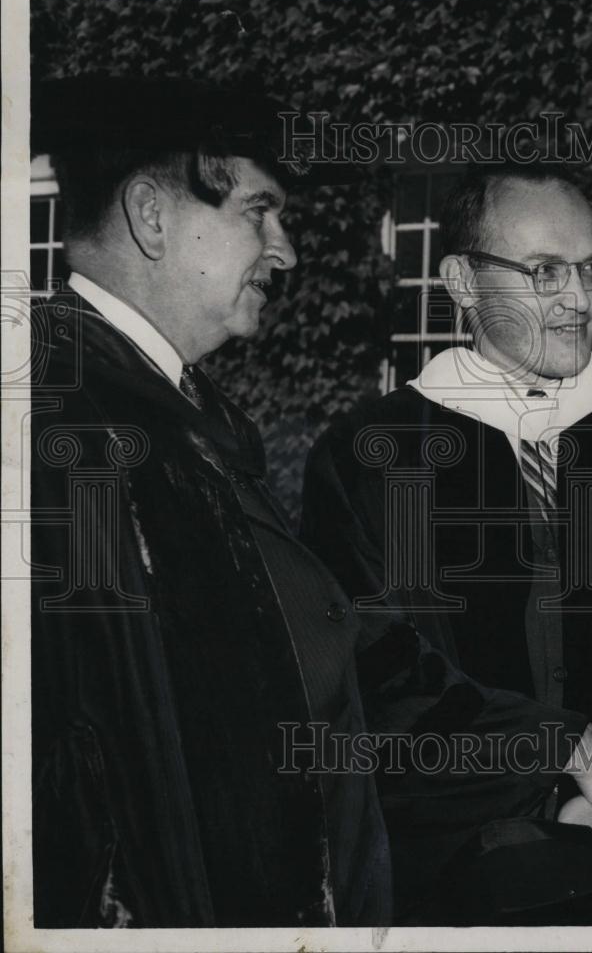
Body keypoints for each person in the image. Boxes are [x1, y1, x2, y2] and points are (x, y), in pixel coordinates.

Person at [301, 163, 592, 923]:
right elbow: (371, 669)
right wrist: (561, 751)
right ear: (460, 281)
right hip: (460, 872)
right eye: (545, 271)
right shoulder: (370, 456)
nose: (578, 299)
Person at [28, 75, 389, 928]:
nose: (287, 250)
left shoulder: (177, 421)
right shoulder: (59, 430)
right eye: (258, 212)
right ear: (152, 216)